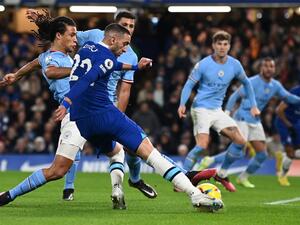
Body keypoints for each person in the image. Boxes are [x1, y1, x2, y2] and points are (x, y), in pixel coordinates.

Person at [54, 23, 223, 211]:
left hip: (84, 121)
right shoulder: (107, 56)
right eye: (125, 43)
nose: (126, 48)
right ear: (113, 39)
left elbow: (111, 66)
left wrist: (135, 66)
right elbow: (90, 78)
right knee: (151, 154)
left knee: (117, 152)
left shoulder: (86, 49)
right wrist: (66, 102)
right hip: (106, 113)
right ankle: (195, 194)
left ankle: (118, 189)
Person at [0, 16, 150, 209]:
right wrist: (82, 68)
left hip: (91, 111)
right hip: (75, 114)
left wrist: (17, 75)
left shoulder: (52, 56)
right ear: (59, 36)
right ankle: (9, 195)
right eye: (71, 35)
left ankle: (118, 190)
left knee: (118, 150)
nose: (75, 39)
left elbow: (35, 64)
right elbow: (51, 71)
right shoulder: (54, 59)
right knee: (57, 170)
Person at [178, 30, 260, 192]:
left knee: (240, 141)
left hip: (217, 110)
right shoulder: (203, 64)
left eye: (225, 44)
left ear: (229, 46)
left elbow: (247, 84)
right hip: (200, 107)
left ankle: (221, 174)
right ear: (213, 46)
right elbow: (188, 85)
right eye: (219, 44)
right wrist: (182, 103)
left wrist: (253, 105)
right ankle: (181, 180)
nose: (222, 47)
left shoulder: (235, 65)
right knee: (202, 145)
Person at [198, 58, 300, 188]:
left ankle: (240, 176)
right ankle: (222, 174)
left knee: (262, 155)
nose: (269, 69)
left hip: (255, 121)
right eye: (267, 66)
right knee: (239, 150)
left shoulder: (275, 85)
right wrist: (227, 113)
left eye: (272, 66)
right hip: (242, 118)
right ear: (261, 68)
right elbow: (234, 97)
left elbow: (289, 98)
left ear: (275, 69)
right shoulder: (251, 82)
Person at [275, 85, 300, 186]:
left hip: (296, 124)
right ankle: (283, 176)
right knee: (290, 152)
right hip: (283, 122)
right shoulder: (295, 92)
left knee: (294, 152)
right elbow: (279, 110)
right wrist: (288, 125)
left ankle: (282, 156)